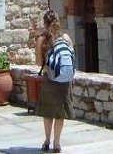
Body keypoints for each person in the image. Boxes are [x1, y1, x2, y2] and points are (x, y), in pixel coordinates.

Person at [35, 10, 75, 153]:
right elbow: (72, 58)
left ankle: (47, 141)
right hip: (65, 80)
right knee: (60, 113)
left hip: (50, 79)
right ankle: (57, 143)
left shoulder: (42, 40)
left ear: (45, 24)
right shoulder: (66, 37)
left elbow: (39, 62)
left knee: (48, 112)